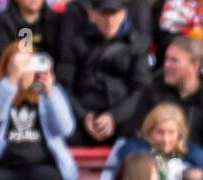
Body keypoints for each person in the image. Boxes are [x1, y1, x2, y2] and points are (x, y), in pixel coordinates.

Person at [0, 46, 75, 180]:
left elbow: (66, 128)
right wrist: (12, 81)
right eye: (16, 66)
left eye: (27, 66)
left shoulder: (50, 94)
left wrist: (50, 92)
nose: (23, 72)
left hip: (40, 165)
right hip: (6, 166)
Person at [57, 0, 152, 146]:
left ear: (123, 15)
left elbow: (141, 89)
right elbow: (63, 86)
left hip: (122, 120)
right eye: (104, 14)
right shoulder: (76, 43)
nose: (109, 21)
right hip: (82, 116)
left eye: (114, 14)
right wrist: (84, 116)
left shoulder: (137, 44)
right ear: (93, 15)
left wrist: (113, 117)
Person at [134, 35, 203, 173]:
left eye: (174, 61)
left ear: (195, 66)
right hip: (154, 163)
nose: (166, 65)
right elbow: (138, 132)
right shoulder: (152, 91)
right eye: (166, 59)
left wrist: (188, 167)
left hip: (193, 167)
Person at [0, 0, 62, 71]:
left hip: (48, 78)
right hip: (14, 77)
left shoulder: (55, 21)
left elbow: (64, 58)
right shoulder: (1, 22)